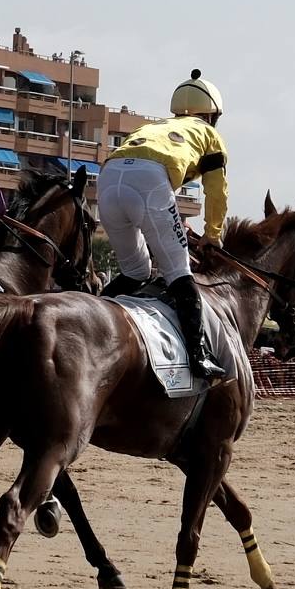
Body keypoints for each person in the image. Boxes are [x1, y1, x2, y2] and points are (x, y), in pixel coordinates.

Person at [99, 70, 229, 379]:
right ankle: (199, 357)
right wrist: (213, 235)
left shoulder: (154, 126)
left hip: (107, 177)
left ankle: (91, 314)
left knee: (135, 271)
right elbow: (217, 191)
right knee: (179, 272)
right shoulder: (210, 135)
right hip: (149, 180)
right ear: (212, 115)